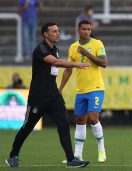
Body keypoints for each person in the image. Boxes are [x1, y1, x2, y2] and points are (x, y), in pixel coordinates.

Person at [5, 22, 90, 168]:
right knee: (27, 127)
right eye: (54, 31)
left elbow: (54, 66)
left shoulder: (55, 49)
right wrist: (76, 64)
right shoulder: (41, 49)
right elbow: (56, 63)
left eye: (58, 31)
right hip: (38, 97)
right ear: (46, 34)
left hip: (54, 95)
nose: (58, 33)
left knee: (63, 125)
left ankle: (71, 160)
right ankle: (13, 155)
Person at [59, 20, 107, 163]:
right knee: (80, 121)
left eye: (88, 29)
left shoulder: (97, 44)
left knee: (93, 118)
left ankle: (101, 149)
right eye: (84, 29)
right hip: (81, 90)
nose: (86, 31)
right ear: (78, 30)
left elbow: (104, 63)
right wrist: (60, 88)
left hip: (96, 88)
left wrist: (87, 53)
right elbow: (68, 69)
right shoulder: (73, 47)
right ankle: (78, 155)